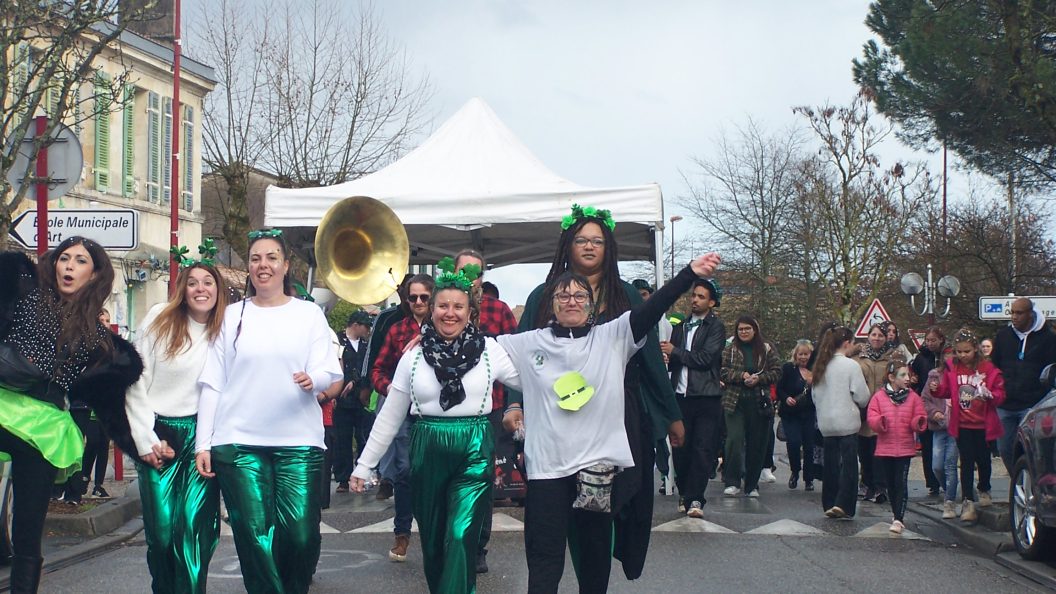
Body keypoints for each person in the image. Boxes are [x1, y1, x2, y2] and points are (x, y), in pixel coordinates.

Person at [499, 252, 720, 593]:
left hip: (595, 471)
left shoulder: (612, 337)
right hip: (547, 472)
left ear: (590, 304)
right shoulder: (528, 344)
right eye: (563, 296)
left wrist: (688, 274)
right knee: (544, 562)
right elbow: (479, 355)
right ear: (552, 305)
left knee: (593, 560)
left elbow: (651, 309)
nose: (571, 301)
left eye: (579, 296)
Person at [351, 260, 521, 594]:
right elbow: (390, 415)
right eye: (442, 305)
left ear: (471, 312)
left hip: (474, 446)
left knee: (459, 535)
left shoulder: (490, 350)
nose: (450, 313)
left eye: (458, 306)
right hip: (426, 445)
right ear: (431, 311)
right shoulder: (413, 356)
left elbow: (531, 382)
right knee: (432, 543)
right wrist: (364, 464)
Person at [195, 229, 342, 593]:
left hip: (299, 441)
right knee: (255, 537)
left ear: (286, 265)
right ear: (249, 267)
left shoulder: (308, 315)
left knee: (302, 536)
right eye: (256, 258)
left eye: (271, 258)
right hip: (239, 442)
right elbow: (213, 382)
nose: (263, 265)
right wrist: (203, 444)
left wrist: (314, 379)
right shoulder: (230, 316)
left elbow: (330, 370)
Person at [0, 237, 144, 593]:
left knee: (28, 533)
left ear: (94, 274)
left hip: (43, 427)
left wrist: (145, 445)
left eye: (80, 261)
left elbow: (112, 407)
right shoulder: (26, 295)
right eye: (64, 258)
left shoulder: (98, 339)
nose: (69, 266)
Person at [125, 252, 229, 593]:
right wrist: (144, 439)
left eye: (208, 282)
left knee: (196, 532)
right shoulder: (160, 319)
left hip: (202, 437)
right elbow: (134, 380)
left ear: (219, 289)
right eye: (193, 283)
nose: (201, 289)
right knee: (163, 533)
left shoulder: (227, 329)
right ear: (183, 289)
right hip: (161, 434)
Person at [454, 248, 518, 574]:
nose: (469, 279)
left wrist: (514, 405)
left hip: (488, 409)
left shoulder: (499, 310)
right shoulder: (445, 306)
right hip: (446, 414)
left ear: (482, 276)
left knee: (480, 482)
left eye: (475, 273)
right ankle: (451, 543)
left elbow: (515, 357)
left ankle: (478, 546)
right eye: (463, 272)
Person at [370, 273, 435, 562]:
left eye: (424, 296)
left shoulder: (445, 323)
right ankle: (402, 534)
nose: (419, 302)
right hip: (406, 412)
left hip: (437, 412)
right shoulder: (397, 329)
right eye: (413, 297)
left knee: (434, 475)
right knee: (405, 472)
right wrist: (394, 390)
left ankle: (436, 534)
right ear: (406, 300)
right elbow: (377, 369)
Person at [661, 278, 725, 516]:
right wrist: (669, 356)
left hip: (706, 395)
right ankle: (684, 492)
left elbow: (705, 358)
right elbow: (677, 358)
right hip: (680, 394)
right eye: (693, 295)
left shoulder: (715, 327)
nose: (695, 300)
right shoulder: (681, 326)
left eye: (701, 297)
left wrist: (675, 352)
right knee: (681, 447)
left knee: (702, 448)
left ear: (711, 302)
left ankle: (696, 498)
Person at [929, 329, 1006, 522]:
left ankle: (984, 488)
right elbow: (947, 390)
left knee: (984, 460)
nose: (963, 355)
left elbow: (1000, 393)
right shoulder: (952, 368)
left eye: (967, 351)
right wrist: (937, 389)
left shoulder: (988, 369)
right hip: (962, 423)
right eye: (959, 352)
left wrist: (990, 394)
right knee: (966, 462)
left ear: (976, 350)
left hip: (983, 423)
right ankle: (968, 501)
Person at [990, 297, 1056, 475]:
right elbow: (994, 366)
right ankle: (1018, 482)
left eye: (1019, 313)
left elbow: (1052, 370)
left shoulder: (1048, 338)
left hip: (1032, 405)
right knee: (1004, 448)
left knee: (1030, 449)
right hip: (1005, 404)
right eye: (1012, 312)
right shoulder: (1004, 336)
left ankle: (1032, 485)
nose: (1014, 317)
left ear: (1030, 314)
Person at [812, 326, 871, 519]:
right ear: (847, 343)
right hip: (846, 420)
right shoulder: (850, 366)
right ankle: (843, 504)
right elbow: (862, 397)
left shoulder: (821, 365)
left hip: (826, 422)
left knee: (830, 465)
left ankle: (829, 502)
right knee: (849, 465)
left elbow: (815, 395)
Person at [720, 316, 781, 498]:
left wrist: (759, 378)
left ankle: (752, 484)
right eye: (741, 329)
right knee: (734, 440)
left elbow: (777, 371)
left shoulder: (766, 349)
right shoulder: (730, 349)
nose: (744, 332)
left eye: (747, 329)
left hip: (758, 401)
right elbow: (722, 370)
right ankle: (732, 481)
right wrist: (741, 375)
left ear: (755, 330)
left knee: (757, 443)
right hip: (734, 401)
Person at [867, 360, 927, 534]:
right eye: (903, 375)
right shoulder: (879, 397)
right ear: (892, 377)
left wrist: (918, 422)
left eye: (908, 374)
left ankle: (899, 518)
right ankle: (895, 512)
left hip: (905, 448)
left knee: (901, 482)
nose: (907, 378)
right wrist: (880, 422)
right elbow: (872, 417)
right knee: (891, 484)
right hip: (885, 448)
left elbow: (919, 415)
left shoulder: (913, 397)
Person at [855, 322, 903, 504]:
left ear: (885, 338)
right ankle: (866, 484)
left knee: (879, 451)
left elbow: (900, 379)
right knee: (864, 450)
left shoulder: (892, 358)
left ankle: (880, 487)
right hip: (862, 409)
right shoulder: (859, 358)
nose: (877, 338)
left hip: (884, 409)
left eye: (880, 336)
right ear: (868, 336)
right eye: (874, 335)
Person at [332, 310, 374, 493]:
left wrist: (357, 383)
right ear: (356, 325)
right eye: (365, 326)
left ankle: (362, 474)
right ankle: (343, 477)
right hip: (342, 398)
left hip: (361, 397)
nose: (367, 330)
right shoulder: (338, 341)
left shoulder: (366, 345)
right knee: (343, 439)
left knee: (364, 436)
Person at [777, 340, 817, 491]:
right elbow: (779, 388)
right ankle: (795, 471)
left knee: (809, 446)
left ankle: (809, 478)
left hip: (809, 412)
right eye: (800, 354)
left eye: (806, 354)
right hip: (790, 413)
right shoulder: (788, 368)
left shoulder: (815, 370)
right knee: (793, 442)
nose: (803, 357)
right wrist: (786, 398)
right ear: (795, 354)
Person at [910, 326, 945, 497]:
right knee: (928, 445)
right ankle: (932, 482)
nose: (930, 344)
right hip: (926, 403)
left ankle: (945, 479)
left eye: (933, 340)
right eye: (928, 340)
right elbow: (914, 378)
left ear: (941, 340)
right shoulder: (921, 358)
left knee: (944, 446)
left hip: (944, 403)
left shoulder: (946, 357)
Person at [922, 367, 959, 518]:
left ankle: (949, 501)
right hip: (939, 427)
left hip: (956, 427)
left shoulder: (962, 374)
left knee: (950, 464)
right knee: (937, 466)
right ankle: (950, 488)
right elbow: (924, 399)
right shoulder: (934, 376)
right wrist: (933, 413)